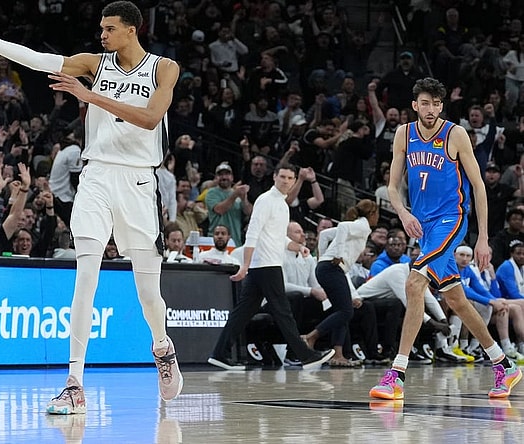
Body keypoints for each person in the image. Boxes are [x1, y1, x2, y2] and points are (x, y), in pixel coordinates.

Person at [0, 1, 183, 413]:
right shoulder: (95, 63)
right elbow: (39, 60)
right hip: (96, 177)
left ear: (131, 29)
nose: (102, 35)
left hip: (140, 181)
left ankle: (162, 347)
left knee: (148, 296)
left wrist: (91, 97)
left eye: (109, 29)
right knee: (84, 276)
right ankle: (74, 383)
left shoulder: (164, 68)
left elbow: (149, 118)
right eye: (101, 29)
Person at [370, 77, 521, 401]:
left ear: (442, 106)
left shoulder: (455, 134)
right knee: (456, 300)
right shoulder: (404, 134)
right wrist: (405, 214)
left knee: (413, 283)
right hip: (422, 226)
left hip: (451, 220)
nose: (431, 109)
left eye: (437, 104)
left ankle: (396, 374)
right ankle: (505, 364)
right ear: (415, 105)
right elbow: (394, 188)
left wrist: (482, 238)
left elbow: (479, 186)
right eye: (425, 103)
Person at [207, 164, 335, 371]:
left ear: (294, 181)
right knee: (283, 312)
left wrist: (298, 246)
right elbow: (253, 234)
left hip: (266, 266)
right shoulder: (265, 201)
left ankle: (219, 354)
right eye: (282, 176)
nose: (285, 181)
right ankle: (306, 355)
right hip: (266, 266)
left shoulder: (283, 204)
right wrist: (245, 266)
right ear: (274, 177)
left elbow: (278, 237)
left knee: (243, 312)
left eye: (290, 178)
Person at [302, 199, 378, 367]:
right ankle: (310, 337)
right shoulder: (363, 225)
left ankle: (338, 355)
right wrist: (336, 254)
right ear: (371, 214)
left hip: (327, 268)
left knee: (342, 311)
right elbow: (343, 226)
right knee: (346, 311)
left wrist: (321, 258)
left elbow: (325, 234)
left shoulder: (359, 225)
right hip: (331, 268)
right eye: (377, 214)